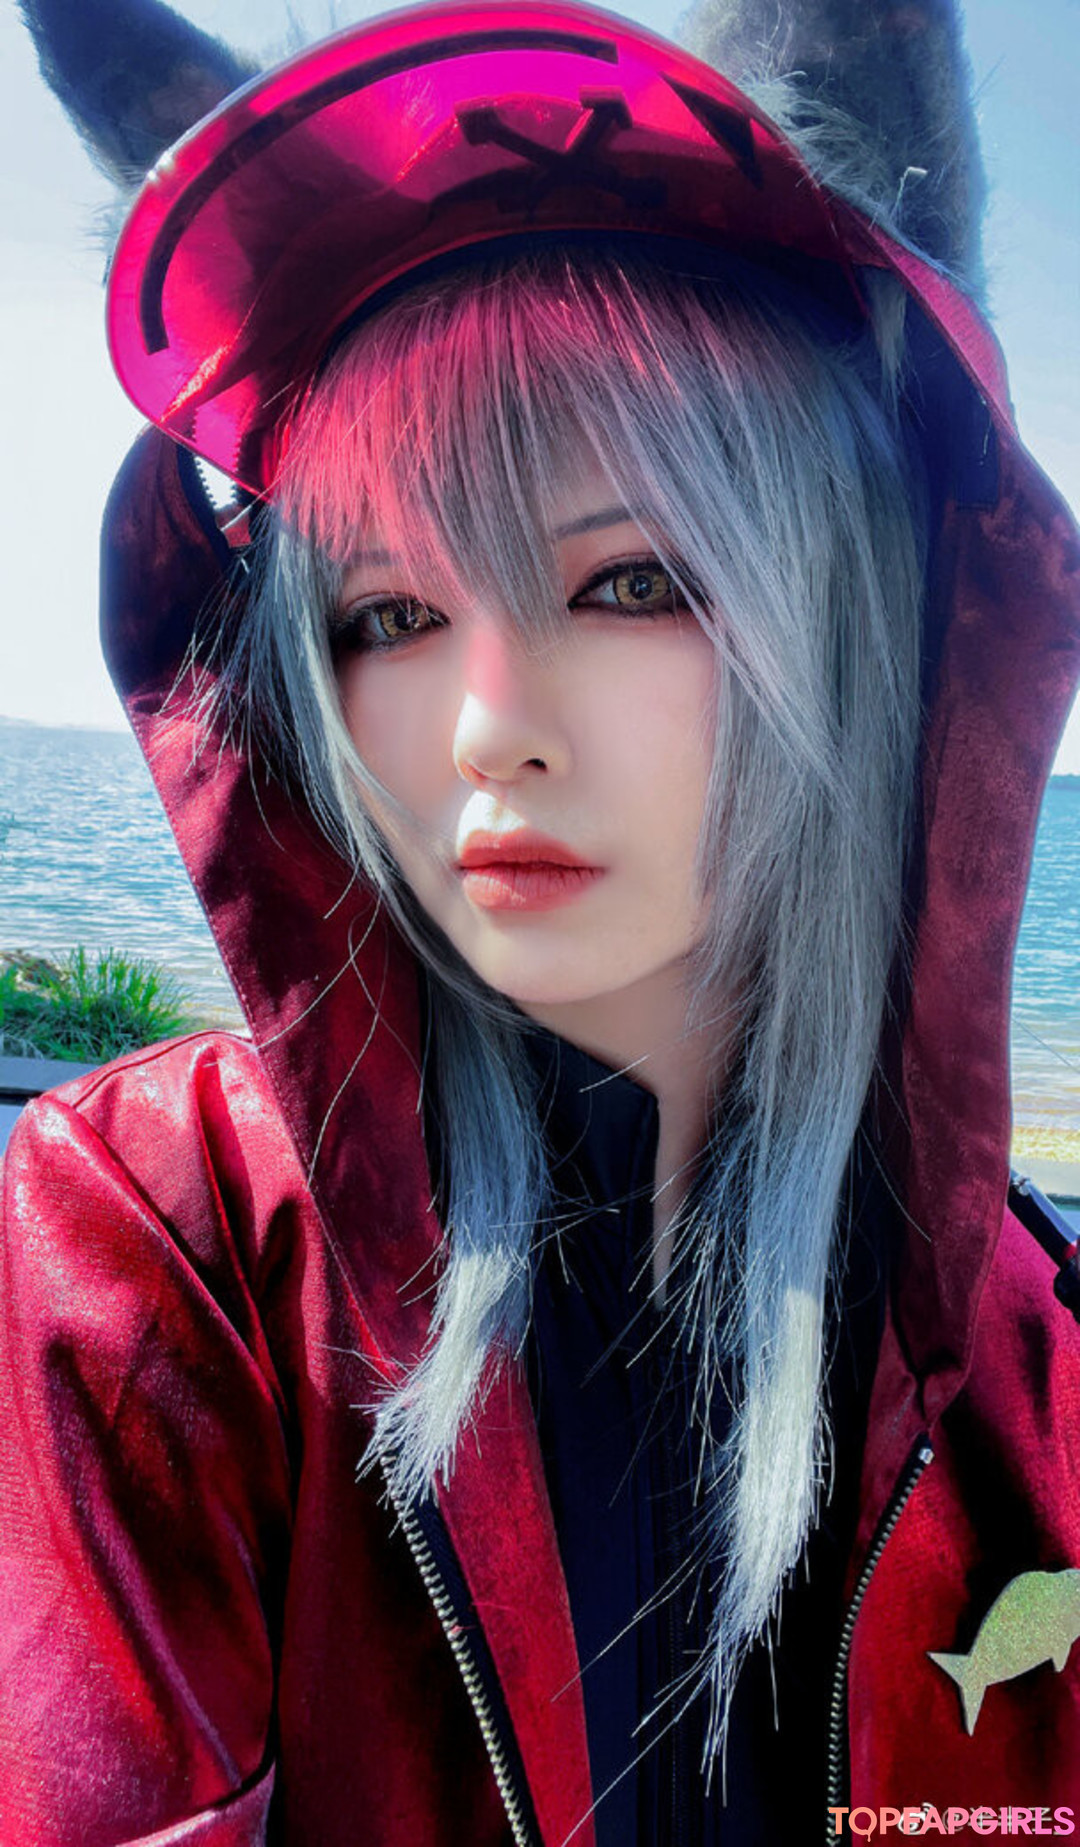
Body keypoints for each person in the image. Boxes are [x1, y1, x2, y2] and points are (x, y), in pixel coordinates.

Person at [3, 2, 1079, 1843]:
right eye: (391, 615)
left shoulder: (1035, 1371)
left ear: (862, 612)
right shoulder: (164, 1244)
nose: (485, 727)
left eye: (632, 580)